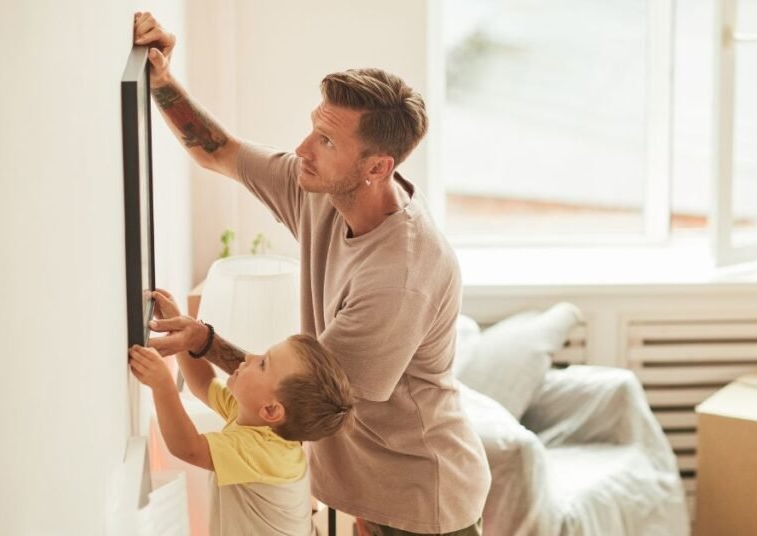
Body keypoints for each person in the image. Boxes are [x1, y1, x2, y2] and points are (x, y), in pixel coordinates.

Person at [134, 11, 490, 536]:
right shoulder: (320, 189)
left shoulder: (400, 276)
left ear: (376, 168)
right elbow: (219, 152)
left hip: (419, 498)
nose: (302, 149)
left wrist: (205, 342)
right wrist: (162, 81)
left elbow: (302, 398)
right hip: (363, 487)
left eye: (326, 140)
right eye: (313, 128)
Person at [129, 290, 355, 536]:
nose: (249, 356)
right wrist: (182, 336)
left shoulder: (263, 451)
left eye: (263, 363)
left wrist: (163, 387)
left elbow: (188, 448)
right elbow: (202, 384)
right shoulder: (254, 417)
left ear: (271, 409)